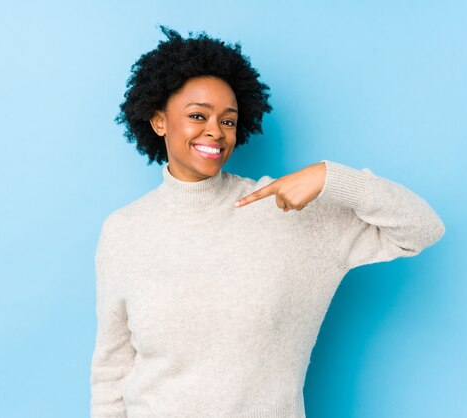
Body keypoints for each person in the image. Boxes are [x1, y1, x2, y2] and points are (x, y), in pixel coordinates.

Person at [91, 26, 445, 418]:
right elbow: (113, 368)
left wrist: (332, 178)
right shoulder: (124, 230)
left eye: (228, 120)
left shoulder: (287, 212)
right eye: (197, 116)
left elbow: (422, 228)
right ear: (159, 121)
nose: (215, 131)